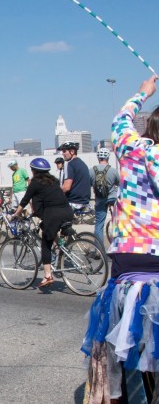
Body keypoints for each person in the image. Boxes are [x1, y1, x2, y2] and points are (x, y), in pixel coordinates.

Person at [81, 76, 159, 403]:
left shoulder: (134, 149)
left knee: (123, 347)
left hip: (129, 260)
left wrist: (143, 92)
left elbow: (120, 120)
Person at [11, 158, 73, 288]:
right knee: (47, 227)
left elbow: (25, 200)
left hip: (53, 214)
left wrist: (15, 214)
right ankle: (61, 248)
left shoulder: (35, 183)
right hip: (67, 211)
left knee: (46, 244)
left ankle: (47, 276)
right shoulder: (54, 180)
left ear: (34, 171)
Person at [89, 148, 119, 245]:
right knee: (117, 222)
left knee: (99, 225)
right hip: (112, 198)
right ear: (108, 157)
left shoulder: (92, 170)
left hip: (100, 199)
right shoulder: (113, 170)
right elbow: (119, 183)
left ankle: (98, 249)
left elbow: (89, 184)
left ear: (98, 157)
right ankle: (118, 244)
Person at [57, 141, 90, 209]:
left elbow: (66, 187)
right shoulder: (83, 164)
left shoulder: (69, 164)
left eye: (64, 151)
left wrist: (53, 192)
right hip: (85, 204)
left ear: (72, 151)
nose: (62, 154)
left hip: (73, 203)